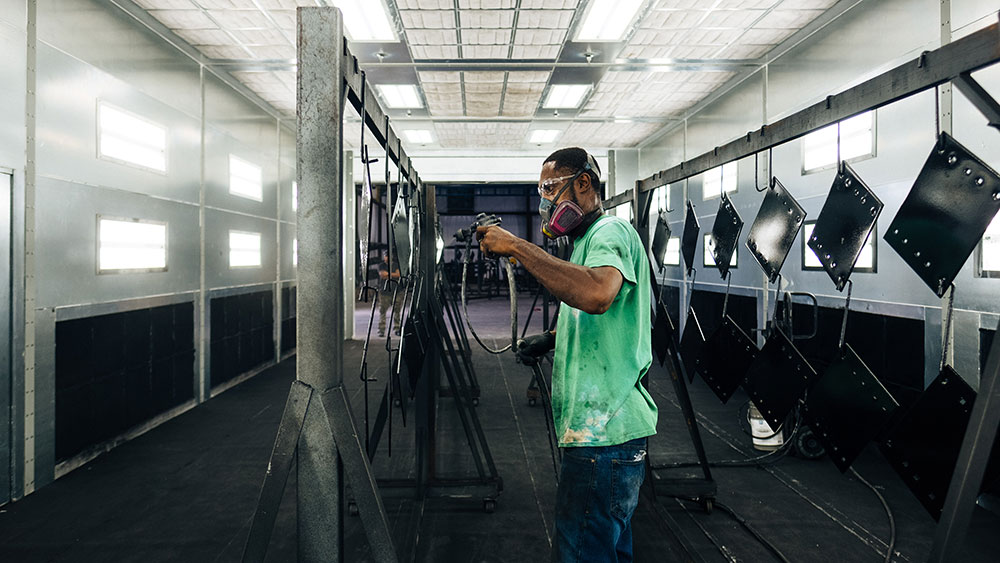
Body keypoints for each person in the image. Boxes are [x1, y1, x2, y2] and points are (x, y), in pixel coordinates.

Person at [477, 147, 657, 563]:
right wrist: (551, 339)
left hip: (604, 434)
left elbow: (596, 294)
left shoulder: (609, 232)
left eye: (549, 189)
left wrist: (518, 247)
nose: (544, 202)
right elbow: (600, 319)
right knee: (607, 550)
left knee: (582, 554)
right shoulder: (583, 244)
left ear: (584, 184)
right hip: (607, 434)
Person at [377, 251, 403, 337]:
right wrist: (393, 274)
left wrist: (388, 274)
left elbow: (398, 274)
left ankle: (397, 328)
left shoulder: (396, 264)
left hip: (396, 291)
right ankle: (381, 329)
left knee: (397, 311)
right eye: (385, 256)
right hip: (385, 292)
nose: (386, 258)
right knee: (383, 311)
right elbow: (382, 275)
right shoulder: (381, 265)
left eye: (388, 256)